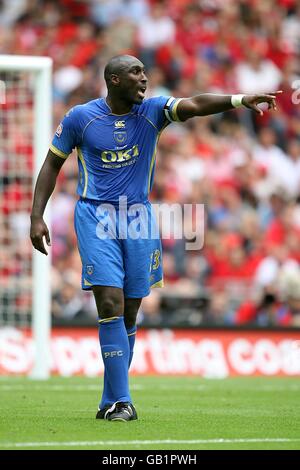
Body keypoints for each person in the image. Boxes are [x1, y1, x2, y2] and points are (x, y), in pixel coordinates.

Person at [30, 54, 280, 422]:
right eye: (136, 73)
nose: (144, 79)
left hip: (139, 218)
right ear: (114, 80)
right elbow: (52, 164)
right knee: (110, 303)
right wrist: (37, 216)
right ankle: (123, 402)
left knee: (130, 308)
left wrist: (240, 99)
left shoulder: (153, 112)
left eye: (144, 72)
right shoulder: (80, 118)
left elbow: (194, 105)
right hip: (96, 215)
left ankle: (111, 399)